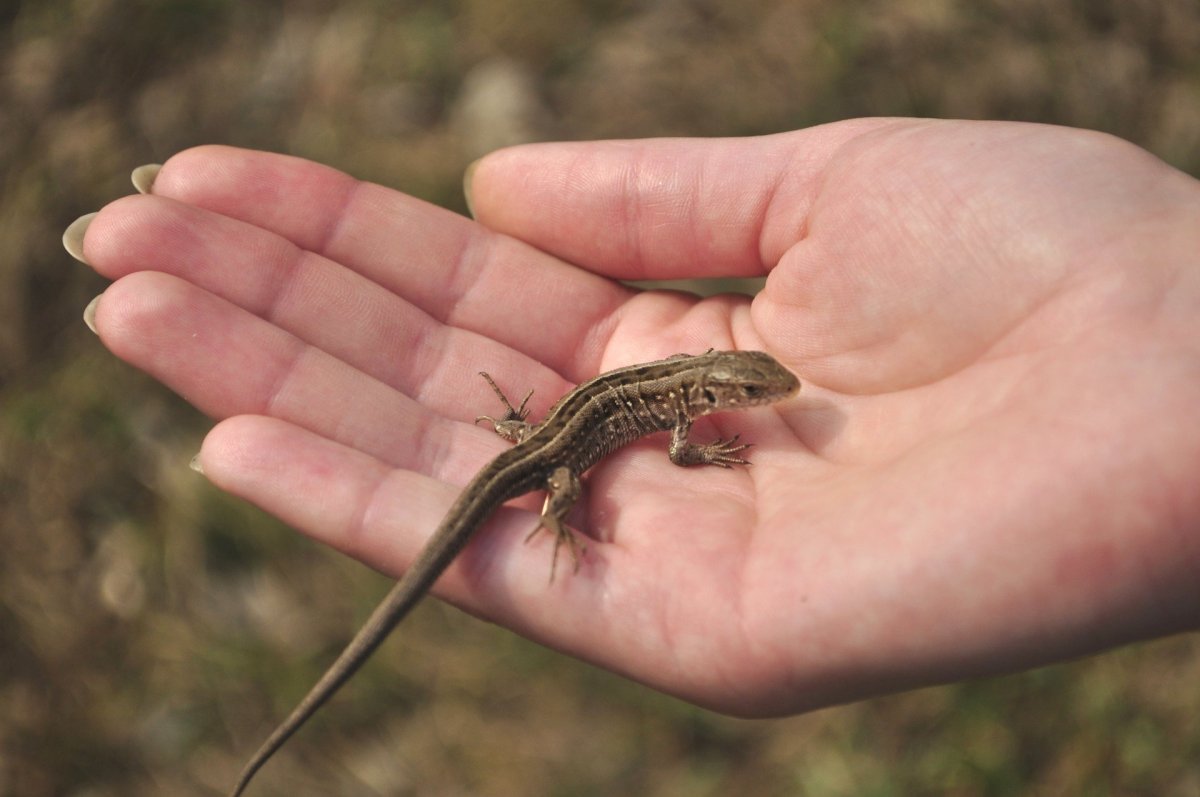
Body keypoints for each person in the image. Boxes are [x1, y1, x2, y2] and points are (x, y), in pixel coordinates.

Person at [64, 118, 1199, 717]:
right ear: (718, 387)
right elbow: (669, 439)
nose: (762, 398)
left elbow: (665, 420)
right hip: (545, 454)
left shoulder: (683, 384)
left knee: (555, 448)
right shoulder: (680, 409)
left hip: (544, 431)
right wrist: (571, 498)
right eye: (753, 391)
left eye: (757, 392)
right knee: (562, 479)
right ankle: (556, 513)